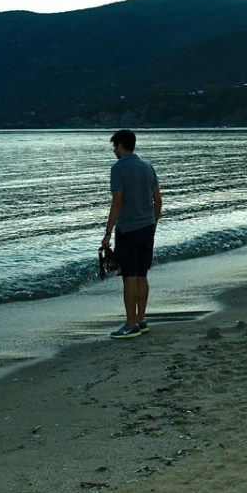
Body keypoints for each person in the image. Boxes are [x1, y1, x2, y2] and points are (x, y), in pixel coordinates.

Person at [101, 129, 162, 339]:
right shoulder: (148, 167)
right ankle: (141, 320)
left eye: (114, 146)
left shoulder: (118, 168)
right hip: (147, 228)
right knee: (142, 275)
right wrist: (153, 223)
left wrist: (108, 233)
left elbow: (117, 202)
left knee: (129, 277)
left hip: (127, 230)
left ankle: (130, 324)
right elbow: (158, 200)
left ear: (120, 146)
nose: (114, 150)